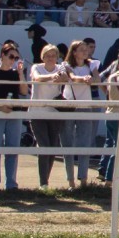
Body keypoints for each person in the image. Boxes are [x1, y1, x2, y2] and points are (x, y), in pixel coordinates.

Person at [0, 45, 27, 191]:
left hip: (14, 113)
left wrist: (20, 73)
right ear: (3, 56)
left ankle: (11, 183)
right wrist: (0, 107)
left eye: (16, 57)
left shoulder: (16, 74)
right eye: (11, 56)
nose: (13, 60)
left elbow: (24, 91)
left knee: (13, 148)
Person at [28, 44, 71, 189]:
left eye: (53, 55)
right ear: (43, 57)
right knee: (44, 146)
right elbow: (37, 78)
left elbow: (66, 79)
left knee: (52, 147)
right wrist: (52, 76)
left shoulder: (61, 68)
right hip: (37, 111)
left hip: (54, 112)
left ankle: (46, 179)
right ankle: (43, 183)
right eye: (47, 55)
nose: (50, 58)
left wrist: (64, 76)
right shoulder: (36, 67)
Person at [62, 42, 99, 189]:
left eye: (87, 49)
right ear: (74, 52)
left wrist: (91, 79)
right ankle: (70, 180)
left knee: (85, 142)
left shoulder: (92, 64)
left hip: (85, 106)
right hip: (69, 105)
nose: (86, 52)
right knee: (67, 142)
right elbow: (71, 76)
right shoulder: (66, 64)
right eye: (82, 50)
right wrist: (84, 79)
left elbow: (98, 80)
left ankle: (83, 179)